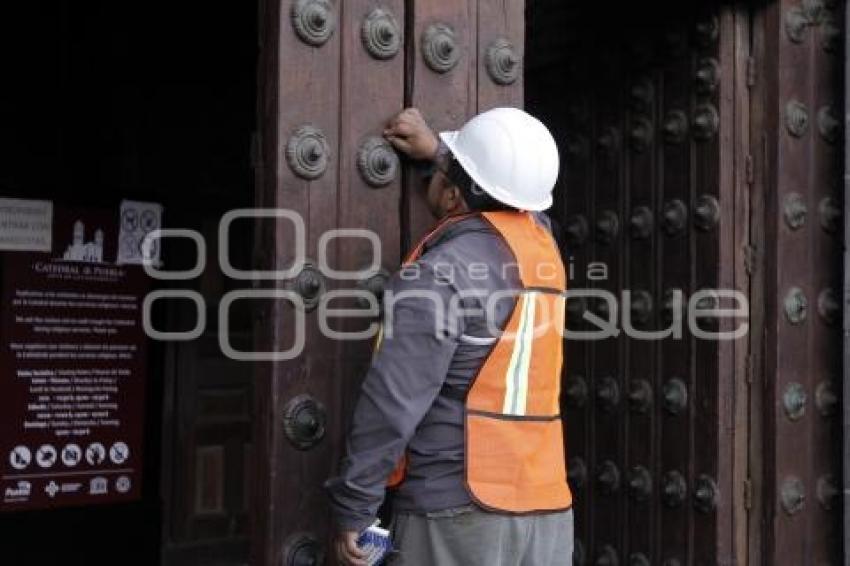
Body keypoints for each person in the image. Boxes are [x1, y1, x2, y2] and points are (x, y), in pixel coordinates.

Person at [325, 107, 574, 566]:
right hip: (547, 512)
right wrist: (439, 155)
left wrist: (356, 507)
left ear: (453, 194)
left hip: (458, 514)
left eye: (443, 172)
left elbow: (392, 404)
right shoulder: (546, 252)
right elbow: (514, 201)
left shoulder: (440, 276)